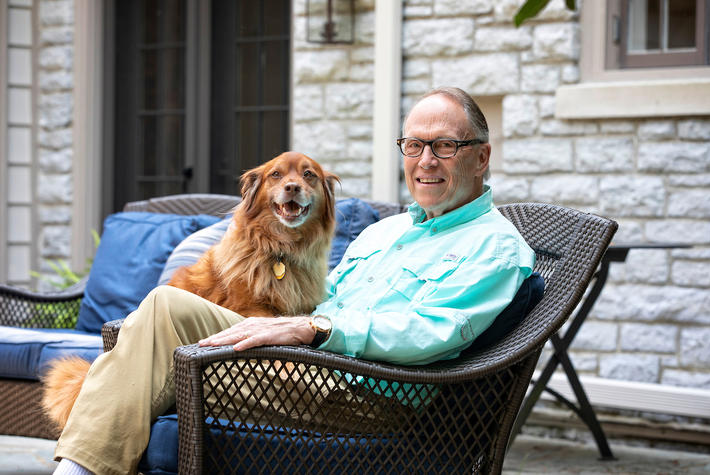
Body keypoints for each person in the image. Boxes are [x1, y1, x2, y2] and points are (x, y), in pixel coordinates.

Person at [52, 86, 535, 475]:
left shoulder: (494, 246)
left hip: (369, 393)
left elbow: (437, 331)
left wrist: (317, 329)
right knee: (165, 305)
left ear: (481, 157)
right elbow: (327, 296)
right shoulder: (386, 232)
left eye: (445, 145)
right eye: (414, 145)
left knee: (151, 350)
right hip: (308, 367)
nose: (425, 160)